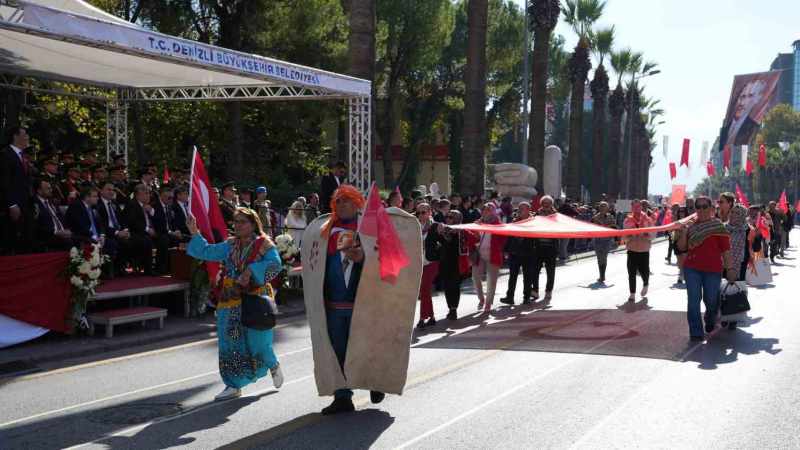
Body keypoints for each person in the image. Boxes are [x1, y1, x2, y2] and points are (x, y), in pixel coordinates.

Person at [187, 208, 284, 400]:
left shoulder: (264, 244)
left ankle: (272, 364)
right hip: (230, 300)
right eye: (236, 221)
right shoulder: (230, 244)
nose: (237, 225)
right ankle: (233, 384)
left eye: (242, 222)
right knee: (229, 342)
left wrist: (251, 271)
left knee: (258, 341)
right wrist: (194, 232)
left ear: (253, 224)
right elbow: (206, 251)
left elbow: (275, 265)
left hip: (255, 298)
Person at [677, 196, 735, 340]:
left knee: (711, 300)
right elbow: (681, 247)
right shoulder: (690, 226)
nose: (701, 210)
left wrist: (730, 269)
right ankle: (696, 332)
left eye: (705, 207)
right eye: (698, 207)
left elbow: (726, 250)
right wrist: (683, 232)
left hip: (713, 269)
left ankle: (710, 319)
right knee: (693, 300)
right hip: (692, 268)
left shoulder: (718, 226)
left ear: (711, 208)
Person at [468, 203, 506, 312]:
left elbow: (503, 240)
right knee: (475, 277)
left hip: (493, 254)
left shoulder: (499, 224)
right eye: (484, 209)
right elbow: (472, 238)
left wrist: (498, 247)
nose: (486, 211)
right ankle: (481, 299)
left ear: (493, 211)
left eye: (489, 209)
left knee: (491, 280)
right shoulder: (477, 223)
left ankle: (488, 303)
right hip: (479, 254)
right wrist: (475, 233)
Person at [1, 126, 33, 254]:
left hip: (25, 205)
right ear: (15, 136)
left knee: (26, 242)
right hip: (13, 207)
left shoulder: (22, 156)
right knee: (13, 241)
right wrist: (12, 204)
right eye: (25, 134)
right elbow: (5, 183)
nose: (28, 137)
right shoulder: (5, 155)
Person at [720, 204, 750, 330]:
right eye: (732, 212)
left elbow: (753, 246)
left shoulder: (747, 229)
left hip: (740, 265)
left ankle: (734, 318)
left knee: (736, 291)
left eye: (737, 213)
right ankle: (723, 315)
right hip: (722, 263)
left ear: (743, 215)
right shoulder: (723, 228)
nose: (733, 215)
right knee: (722, 290)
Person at [501, 202, 535, 305]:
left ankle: (526, 297)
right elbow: (509, 236)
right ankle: (510, 297)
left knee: (527, 277)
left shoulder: (533, 221)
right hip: (514, 252)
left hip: (528, 253)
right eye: (519, 208)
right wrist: (506, 249)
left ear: (528, 210)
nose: (520, 210)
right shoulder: (514, 221)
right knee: (512, 276)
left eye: (522, 209)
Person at [439, 210, 468, 320]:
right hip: (445, 262)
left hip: (456, 263)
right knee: (447, 286)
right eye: (447, 216)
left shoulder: (462, 231)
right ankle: (450, 308)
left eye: (451, 217)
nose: (447, 219)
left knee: (454, 286)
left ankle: (453, 309)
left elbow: (474, 239)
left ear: (457, 219)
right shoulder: (443, 230)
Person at [416, 202, 442, 328]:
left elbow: (444, 241)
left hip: (432, 262)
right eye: (418, 213)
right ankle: (431, 317)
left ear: (429, 212)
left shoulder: (435, 226)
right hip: (419, 262)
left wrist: (443, 232)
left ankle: (422, 318)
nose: (420, 215)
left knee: (424, 288)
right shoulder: (415, 226)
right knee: (425, 290)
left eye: (423, 212)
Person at [623, 199, 654, 302]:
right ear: (631, 208)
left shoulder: (648, 220)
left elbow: (653, 234)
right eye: (634, 206)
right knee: (631, 272)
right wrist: (630, 236)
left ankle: (646, 284)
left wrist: (647, 235)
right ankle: (632, 293)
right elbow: (624, 236)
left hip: (644, 250)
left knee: (644, 271)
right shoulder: (627, 220)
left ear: (641, 207)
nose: (636, 208)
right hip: (632, 249)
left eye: (638, 206)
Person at [31, 178, 72, 251]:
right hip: (48, 236)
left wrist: (66, 229)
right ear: (39, 191)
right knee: (68, 242)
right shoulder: (33, 204)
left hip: (62, 233)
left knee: (81, 238)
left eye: (50, 188)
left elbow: (61, 218)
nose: (51, 190)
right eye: (48, 188)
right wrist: (55, 232)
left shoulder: (52, 202)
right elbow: (36, 226)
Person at [124, 184, 156, 275]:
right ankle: (148, 269)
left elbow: (156, 219)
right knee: (146, 240)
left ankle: (161, 267)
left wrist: (151, 211)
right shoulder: (132, 204)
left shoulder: (147, 205)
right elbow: (133, 223)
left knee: (162, 237)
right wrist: (147, 229)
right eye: (146, 193)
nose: (148, 195)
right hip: (135, 232)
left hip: (147, 231)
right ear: (138, 195)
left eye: (149, 193)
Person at [532, 196, 558, 301]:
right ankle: (535, 291)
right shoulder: (536, 215)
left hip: (551, 247)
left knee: (550, 272)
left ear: (551, 204)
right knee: (535, 271)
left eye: (548, 203)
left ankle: (548, 291)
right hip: (538, 247)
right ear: (541, 204)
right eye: (544, 203)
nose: (546, 205)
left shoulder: (556, 215)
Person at [592, 201, 617, 283]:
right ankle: (601, 275)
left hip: (607, 240)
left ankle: (602, 275)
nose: (603, 208)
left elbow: (614, 227)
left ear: (607, 208)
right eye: (601, 206)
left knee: (604, 257)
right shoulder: (595, 217)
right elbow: (592, 227)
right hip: (597, 239)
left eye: (604, 206)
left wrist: (616, 239)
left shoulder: (611, 217)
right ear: (599, 208)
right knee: (599, 258)